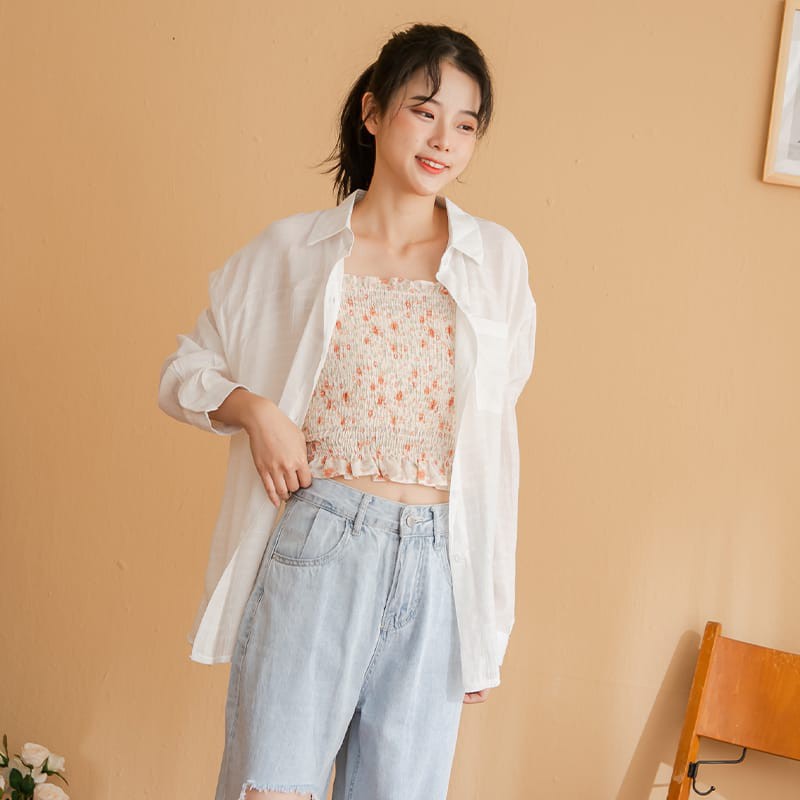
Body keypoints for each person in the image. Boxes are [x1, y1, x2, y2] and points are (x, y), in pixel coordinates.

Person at [158, 22, 537, 800]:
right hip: (321, 546)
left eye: (466, 124)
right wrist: (255, 411)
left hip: (439, 566)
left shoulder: (495, 261)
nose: (444, 140)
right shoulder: (295, 251)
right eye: (424, 112)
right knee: (272, 789)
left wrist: (484, 625)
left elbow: (495, 450)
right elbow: (182, 371)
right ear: (372, 111)